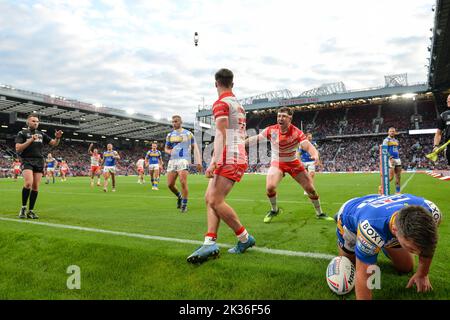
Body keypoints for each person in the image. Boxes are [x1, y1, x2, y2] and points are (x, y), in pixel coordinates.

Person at [187, 68, 255, 264]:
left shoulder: (220, 104)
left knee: (216, 200)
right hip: (237, 153)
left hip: (229, 155)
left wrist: (215, 160)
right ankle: (209, 242)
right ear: (232, 84)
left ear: (216, 83)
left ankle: (244, 238)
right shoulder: (238, 105)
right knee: (210, 198)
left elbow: (222, 133)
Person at [334, 193, 441, 300]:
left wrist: (422, 273)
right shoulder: (371, 228)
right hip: (350, 217)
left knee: (406, 267)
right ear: (395, 230)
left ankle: (383, 243)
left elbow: (429, 244)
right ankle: (337, 216)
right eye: (412, 248)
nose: (418, 253)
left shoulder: (432, 212)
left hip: (381, 211)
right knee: (349, 264)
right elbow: (363, 275)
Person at [246, 107, 333, 223]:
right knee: (270, 187)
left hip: (293, 163)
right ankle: (274, 210)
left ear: (290, 118)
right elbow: (256, 138)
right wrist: (242, 144)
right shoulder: (271, 130)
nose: (280, 118)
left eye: (283, 116)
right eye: (279, 116)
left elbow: (307, 145)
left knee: (310, 189)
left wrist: (315, 154)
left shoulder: (296, 132)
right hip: (277, 163)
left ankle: (320, 213)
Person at [15, 113, 63, 219]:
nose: (36, 123)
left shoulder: (41, 134)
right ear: (28, 122)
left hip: (39, 161)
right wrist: (31, 140)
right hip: (27, 160)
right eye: (33, 121)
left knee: (35, 187)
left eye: (37, 121)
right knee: (28, 183)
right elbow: (18, 148)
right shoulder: (22, 133)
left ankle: (30, 211)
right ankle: (23, 208)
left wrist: (57, 138)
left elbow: (54, 143)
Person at [165, 115, 202, 212]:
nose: (174, 123)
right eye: (172, 121)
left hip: (184, 159)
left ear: (181, 122)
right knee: (170, 184)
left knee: (182, 181)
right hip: (172, 160)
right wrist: (169, 152)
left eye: (176, 121)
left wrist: (198, 161)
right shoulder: (170, 135)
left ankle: (184, 205)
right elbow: (166, 148)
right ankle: (179, 196)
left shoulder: (188, 134)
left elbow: (195, 148)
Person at [380, 127, 402, 194]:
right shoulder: (386, 140)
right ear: (388, 132)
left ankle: (397, 192)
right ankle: (381, 188)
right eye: (390, 131)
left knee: (398, 177)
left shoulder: (396, 140)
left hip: (397, 159)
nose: (392, 132)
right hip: (391, 159)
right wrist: (390, 158)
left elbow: (396, 149)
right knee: (390, 177)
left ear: (395, 132)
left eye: (393, 131)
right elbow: (384, 150)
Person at [433, 94, 450, 165]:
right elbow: (438, 133)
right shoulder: (443, 115)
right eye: (447, 99)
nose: (448, 100)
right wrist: (436, 146)